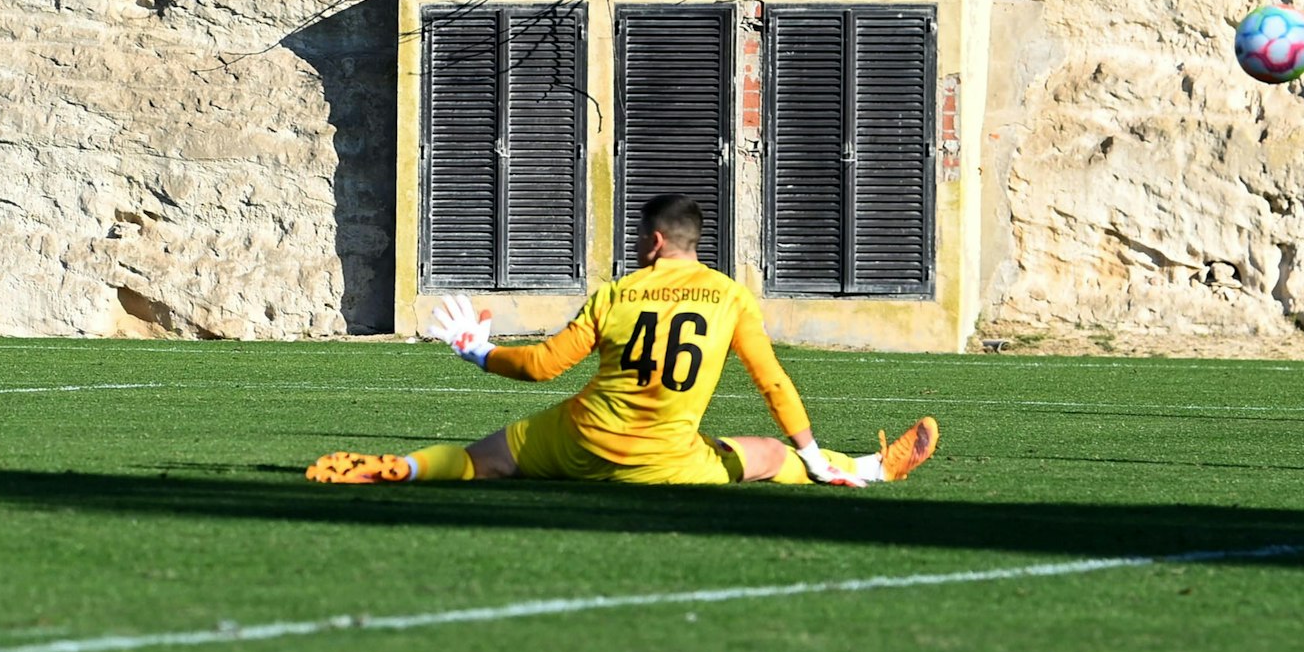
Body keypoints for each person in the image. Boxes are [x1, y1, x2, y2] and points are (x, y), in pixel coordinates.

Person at [308, 193, 937, 487]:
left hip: (581, 439)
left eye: (640, 238)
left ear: (655, 242)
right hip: (663, 460)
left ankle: (408, 468)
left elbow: (542, 366)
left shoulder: (617, 293)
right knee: (772, 456)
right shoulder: (729, 296)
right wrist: (812, 452)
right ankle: (866, 469)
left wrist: (477, 350)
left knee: (481, 460)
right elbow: (772, 382)